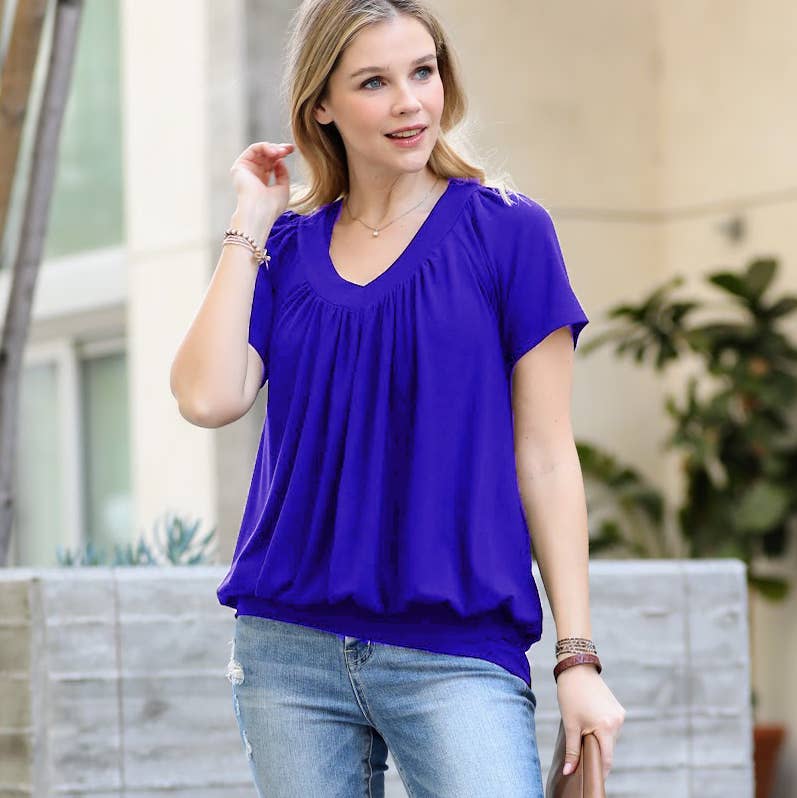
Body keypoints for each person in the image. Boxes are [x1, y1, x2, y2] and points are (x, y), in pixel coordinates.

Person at [169, 1, 626, 796]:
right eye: (373, 82)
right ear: (321, 104)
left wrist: (576, 658)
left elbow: (547, 457)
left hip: (455, 653)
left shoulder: (508, 232)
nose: (410, 102)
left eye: (422, 71)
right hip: (289, 651)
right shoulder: (287, 246)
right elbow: (207, 398)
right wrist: (250, 219)